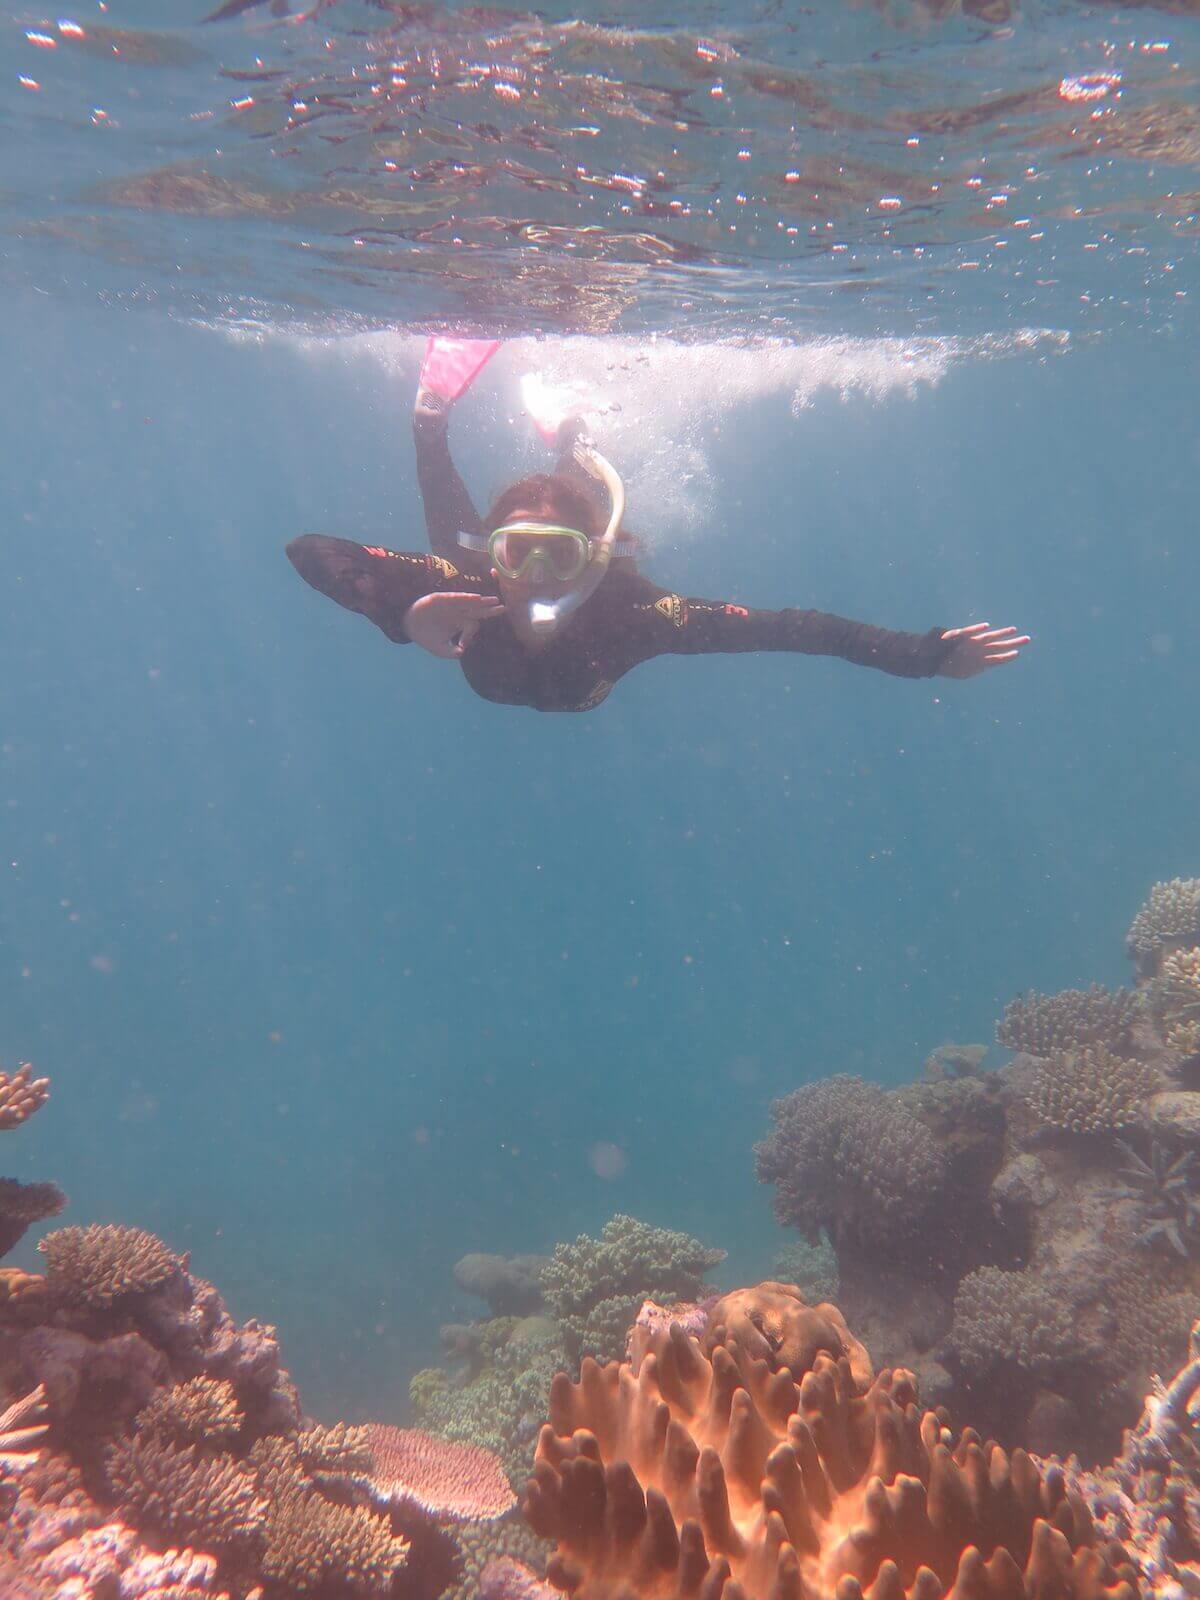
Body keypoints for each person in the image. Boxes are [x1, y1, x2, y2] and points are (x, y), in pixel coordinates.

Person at [286, 339, 1029, 714]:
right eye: (518, 552)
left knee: (518, 514)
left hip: (588, 587)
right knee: (448, 549)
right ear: (499, 553)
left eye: (560, 555)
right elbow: (312, 555)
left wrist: (924, 657)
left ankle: (569, 441)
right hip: (462, 578)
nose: (535, 577)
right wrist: (406, 612)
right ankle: (434, 415)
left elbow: (797, 627)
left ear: (592, 558)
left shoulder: (640, 616)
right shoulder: (469, 589)